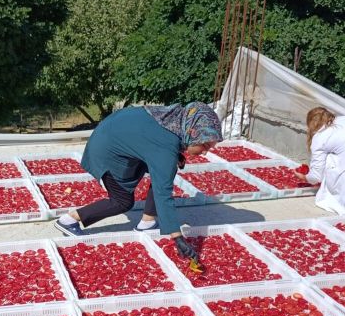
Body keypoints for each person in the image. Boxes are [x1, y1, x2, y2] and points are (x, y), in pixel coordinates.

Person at [54, 102, 223, 260]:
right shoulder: (165, 146)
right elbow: (163, 193)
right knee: (122, 201)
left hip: (112, 133)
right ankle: (69, 220)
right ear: (193, 132)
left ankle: (147, 222)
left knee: (165, 170)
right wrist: (177, 237)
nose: (205, 152)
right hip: (105, 151)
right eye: (205, 146)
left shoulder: (175, 121)